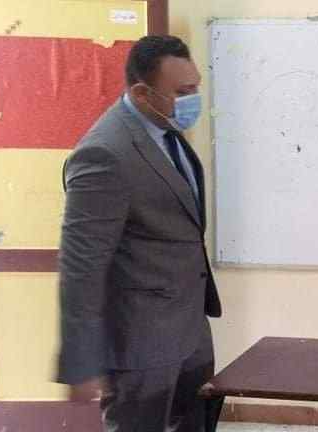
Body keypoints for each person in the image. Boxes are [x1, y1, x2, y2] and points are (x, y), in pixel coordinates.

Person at [56, 35, 222, 430]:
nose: (193, 99)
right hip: (140, 344)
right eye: (182, 92)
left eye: (195, 87)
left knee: (197, 422)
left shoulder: (163, 128)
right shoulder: (104, 154)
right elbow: (81, 265)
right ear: (142, 93)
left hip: (189, 327)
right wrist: (81, 361)